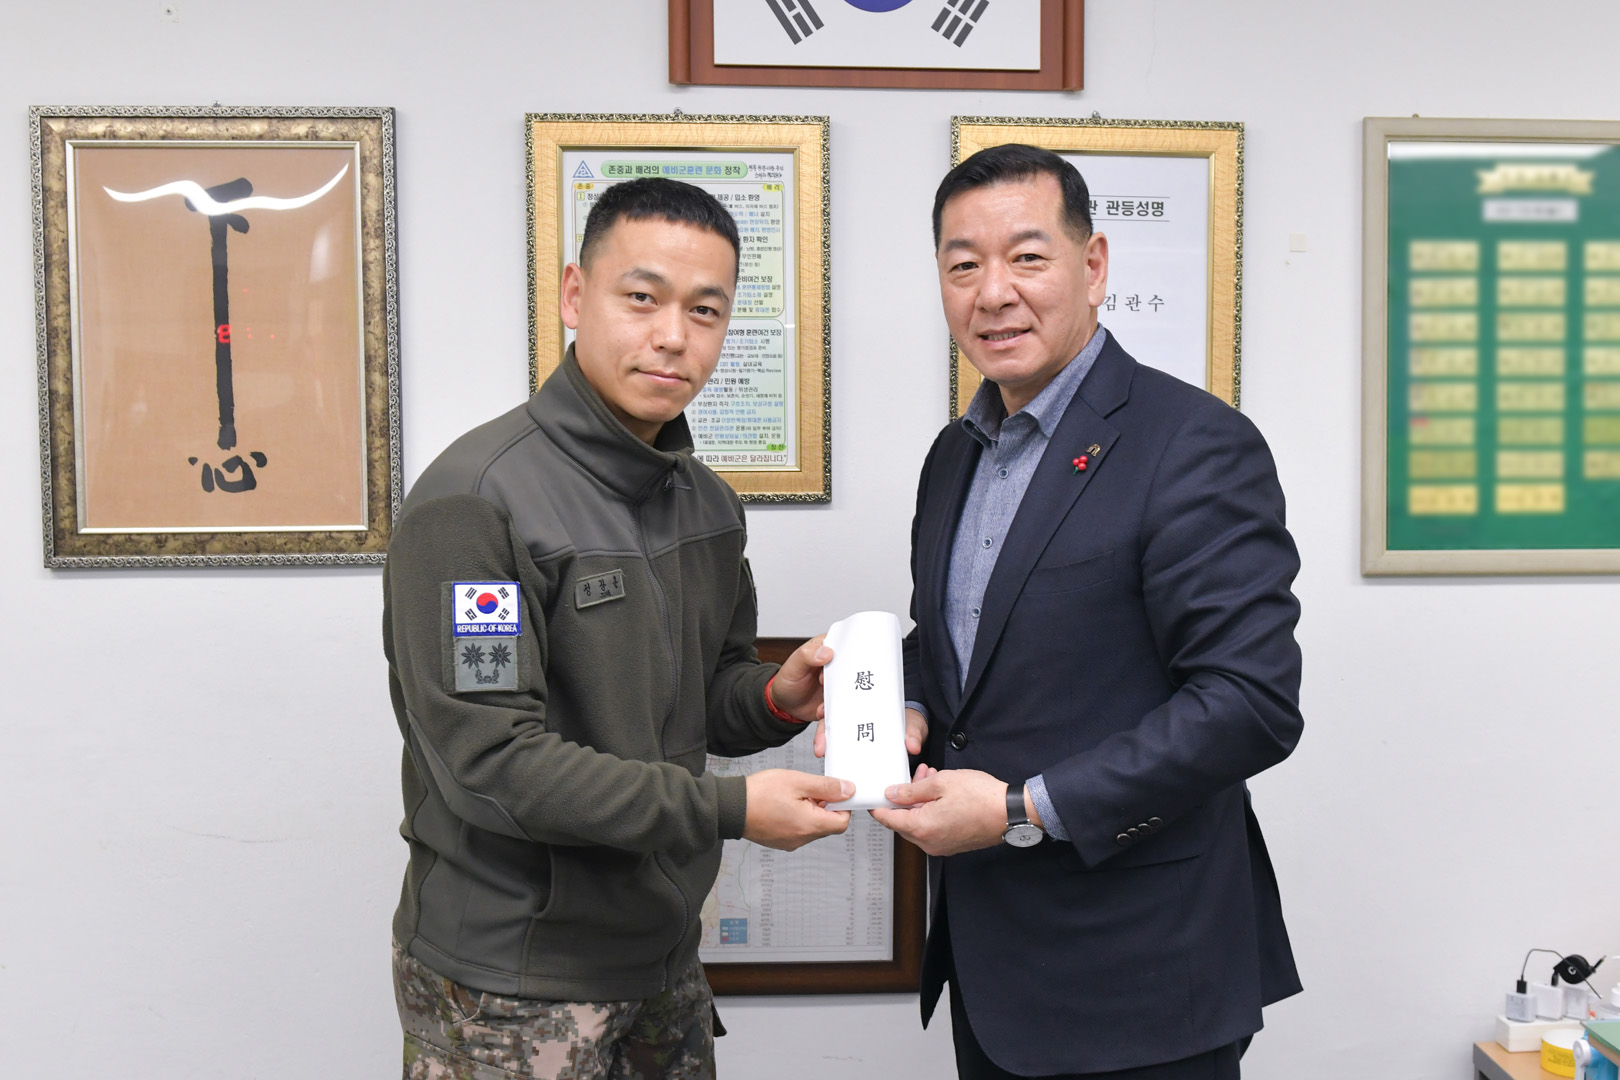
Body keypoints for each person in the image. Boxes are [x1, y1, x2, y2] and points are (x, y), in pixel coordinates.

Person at [381, 177, 853, 1080]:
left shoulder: (707, 503)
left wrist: (775, 698)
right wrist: (730, 811)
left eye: (705, 310)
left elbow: (704, 698)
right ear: (574, 294)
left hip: (664, 959)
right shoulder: (476, 503)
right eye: (642, 297)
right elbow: (492, 767)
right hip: (512, 980)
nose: (674, 335)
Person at [871, 144, 1305, 1080]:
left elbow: (1249, 703)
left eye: (1027, 257)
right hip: (993, 969)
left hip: (1141, 976)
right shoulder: (955, 455)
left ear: (1094, 265)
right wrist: (894, 700)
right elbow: (959, 647)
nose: (994, 293)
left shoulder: (1192, 443)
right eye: (963, 265)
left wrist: (1019, 809)